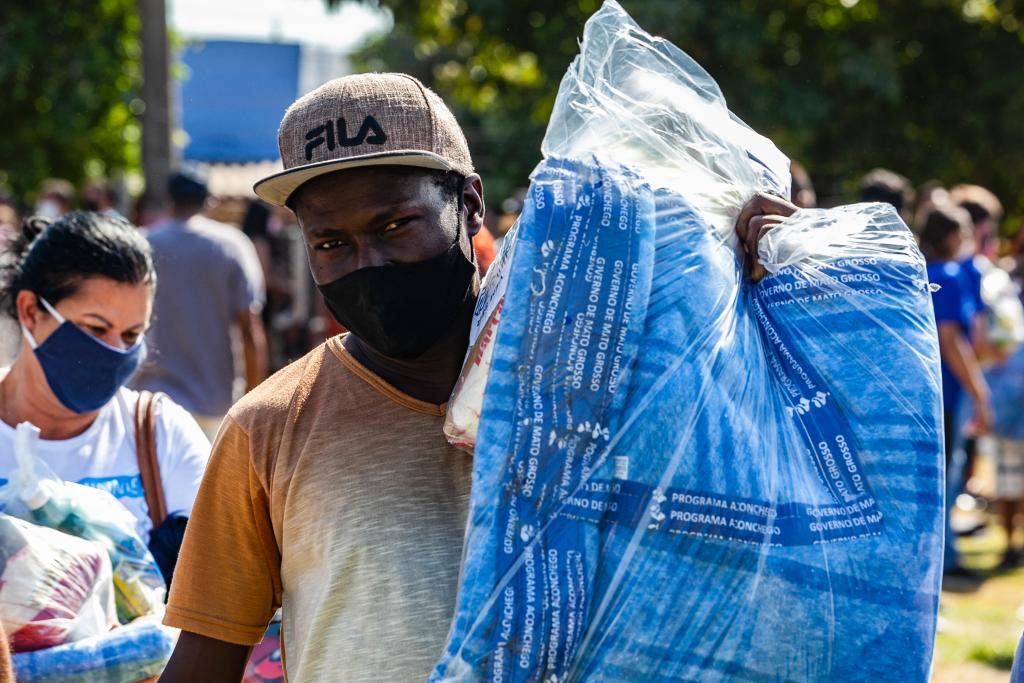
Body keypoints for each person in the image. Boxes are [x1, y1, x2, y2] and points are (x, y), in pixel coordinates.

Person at [158, 73, 796, 682]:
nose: (368, 264)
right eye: (331, 244)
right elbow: (203, 664)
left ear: (469, 204)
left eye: (395, 226)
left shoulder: (604, 377)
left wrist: (773, 301)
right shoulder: (269, 428)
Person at [0, 212, 210, 562]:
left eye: (131, 335)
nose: (114, 351)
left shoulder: (161, 435)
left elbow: (217, 587)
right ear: (30, 311)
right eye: (95, 329)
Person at [131, 171, 268, 441]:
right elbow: (249, 329)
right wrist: (256, 405)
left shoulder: (142, 244)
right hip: (214, 402)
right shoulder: (231, 244)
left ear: (169, 201)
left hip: (148, 401)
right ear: (209, 201)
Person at [919, 204, 992, 582]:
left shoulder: (920, 272)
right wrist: (980, 393)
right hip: (946, 395)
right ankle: (943, 560)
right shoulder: (948, 274)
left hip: (924, 393)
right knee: (946, 479)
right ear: (950, 236)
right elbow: (952, 339)